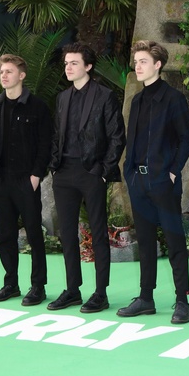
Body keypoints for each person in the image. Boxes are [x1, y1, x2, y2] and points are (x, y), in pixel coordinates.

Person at [117, 40, 189, 324]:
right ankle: (146, 298)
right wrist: (129, 173)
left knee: (175, 242)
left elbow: (187, 140)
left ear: (158, 65)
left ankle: (182, 301)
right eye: (136, 61)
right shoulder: (137, 101)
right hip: (138, 183)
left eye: (143, 62)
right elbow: (133, 142)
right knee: (146, 243)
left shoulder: (174, 99)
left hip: (164, 183)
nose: (137, 66)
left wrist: (172, 172)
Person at [48, 43, 125, 313]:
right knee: (67, 233)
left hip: (92, 172)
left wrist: (103, 172)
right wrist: (54, 167)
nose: (68, 68)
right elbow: (56, 135)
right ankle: (72, 290)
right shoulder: (62, 98)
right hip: (64, 173)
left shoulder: (105, 96)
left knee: (98, 232)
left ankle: (101, 293)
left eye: (74, 63)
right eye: (66, 63)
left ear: (88, 66)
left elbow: (117, 136)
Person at [0, 54, 52, 306]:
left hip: (26, 180)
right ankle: (10, 284)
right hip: (0, 181)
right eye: (2, 71)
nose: (4, 75)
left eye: (9, 71)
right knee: (5, 235)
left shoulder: (38, 107)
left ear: (21, 75)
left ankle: (38, 286)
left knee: (34, 233)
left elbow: (46, 143)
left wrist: (36, 175)